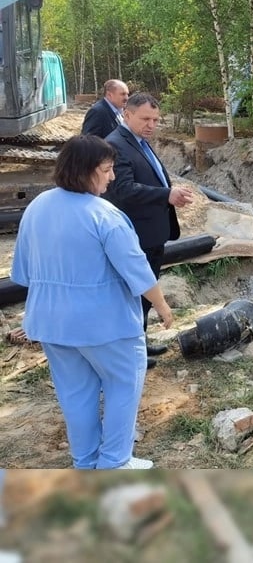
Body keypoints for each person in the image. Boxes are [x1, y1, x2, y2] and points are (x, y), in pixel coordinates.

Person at [10, 135, 172, 469]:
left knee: (75, 393)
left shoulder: (37, 207)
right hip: (105, 325)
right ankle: (114, 463)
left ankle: (85, 462)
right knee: (122, 385)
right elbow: (137, 269)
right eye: (106, 169)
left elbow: (23, 273)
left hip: (51, 323)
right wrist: (162, 306)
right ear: (85, 170)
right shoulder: (105, 215)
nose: (111, 177)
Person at [104, 92, 193, 369]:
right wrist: (166, 194)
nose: (151, 125)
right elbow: (123, 190)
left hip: (152, 234)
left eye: (155, 120)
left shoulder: (138, 141)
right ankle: (129, 352)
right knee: (133, 295)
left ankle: (138, 343)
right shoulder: (115, 144)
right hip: (136, 235)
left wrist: (167, 192)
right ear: (127, 114)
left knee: (144, 295)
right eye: (145, 119)